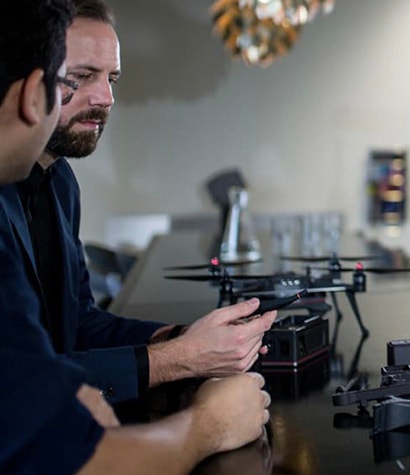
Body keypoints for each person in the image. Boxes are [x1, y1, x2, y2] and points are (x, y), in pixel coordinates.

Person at [0, 1, 271, 472]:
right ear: (33, 90)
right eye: (77, 78)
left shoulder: (60, 182)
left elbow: (76, 323)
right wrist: (200, 404)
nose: (105, 98)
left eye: (112, 80)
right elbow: (46, 437)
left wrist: (183, 338)